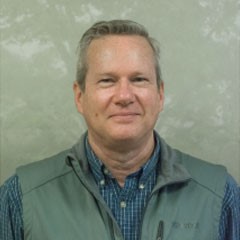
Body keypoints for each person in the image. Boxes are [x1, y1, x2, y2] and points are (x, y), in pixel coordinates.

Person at [0, 20, 239, 240]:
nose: (124, 96)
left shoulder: (220, 195)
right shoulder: (20, 197)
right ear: (80, 96)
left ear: (160, 94)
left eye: (138, 79)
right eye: (107, 80)